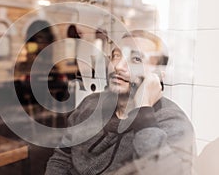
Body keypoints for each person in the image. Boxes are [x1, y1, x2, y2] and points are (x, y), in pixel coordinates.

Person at [45, 30, 196, 175]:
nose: (118, 66)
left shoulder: (172, 121)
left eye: (136, 59)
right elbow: (61, 159)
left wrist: (144, 112)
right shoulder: (90, 104)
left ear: (157, 76)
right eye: (116, 56)